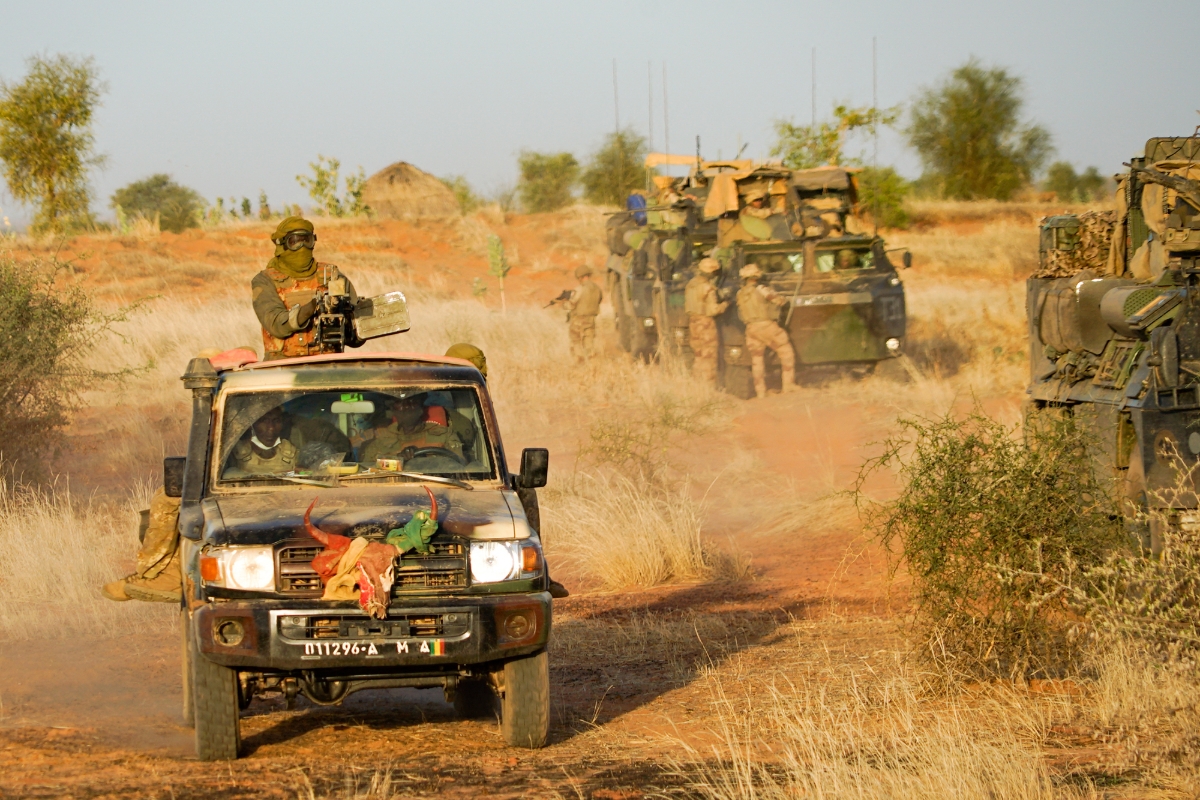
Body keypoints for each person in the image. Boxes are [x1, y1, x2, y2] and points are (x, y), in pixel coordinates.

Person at [253, 216, 361, 360]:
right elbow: (276, 324)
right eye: (295, 242)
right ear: (282, 245)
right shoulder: (265, 281)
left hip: (329, 363)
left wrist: (350, 320)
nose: (301, 247)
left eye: (307, 241)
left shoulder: (331, 276)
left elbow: (356, 334)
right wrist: (311, 307)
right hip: (283, 366)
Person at [737, 264, 798, 397]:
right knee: (786, 352)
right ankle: (788, 386)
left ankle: (760, 392)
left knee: (757, 360)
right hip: (766, 326)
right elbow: (777, 301)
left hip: (751, 328)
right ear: (757, 276)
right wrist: (782, 299)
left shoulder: (740, 293)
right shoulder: (762, 289)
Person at [360, 394, 466, 465]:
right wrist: (398, 459)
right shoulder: (380, 441)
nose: (407, 406)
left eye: (412, 401)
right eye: (400, 403)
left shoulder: (444, 435)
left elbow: (461, 467)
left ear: (420, 407)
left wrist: (426, 459)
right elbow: (367, 473)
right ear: (393, 409)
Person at [685, 257, 728, 385]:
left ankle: (697, 386)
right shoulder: (707, 287)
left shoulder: (691, 284)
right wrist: (726, 304)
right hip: (705, 323)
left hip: (693, 322)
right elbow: (713, 310)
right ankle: (709, 388)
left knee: (698, 356)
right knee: (709, 357)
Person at [224, 406, 299, 477]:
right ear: (252, 424)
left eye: (276, 421)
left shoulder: (292, 453)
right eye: (264, 421)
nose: (271, 428)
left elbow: (306, 473)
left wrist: (294, 473)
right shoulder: (234, 453)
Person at [562, 264, 603, 362]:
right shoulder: (597, 288)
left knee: (575, 342)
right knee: (589, 344)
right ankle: (593, 364)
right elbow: (599, 300)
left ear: (580, 277)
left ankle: (579, 362)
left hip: (578, 321)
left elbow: (571, 305)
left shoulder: (579, 289)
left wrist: (563, 304)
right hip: (591, 320)